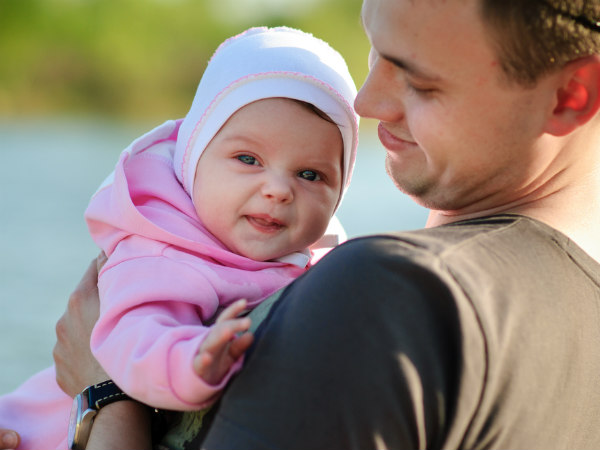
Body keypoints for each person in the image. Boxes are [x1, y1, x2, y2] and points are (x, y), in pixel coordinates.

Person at [4, 0, 600, 448]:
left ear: (570, 94)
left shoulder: (386, 294)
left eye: (418, 81)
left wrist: (103, 397)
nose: (365, 103)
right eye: (374, 55)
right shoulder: (579, 315)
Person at [0, 26, 358, 450]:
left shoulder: (329, 265)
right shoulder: (165, 249)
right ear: (193, 159)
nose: (278, 189)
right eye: (248, 159)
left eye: (310, 174)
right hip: (41, 434)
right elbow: (135, 337)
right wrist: (194, 361)